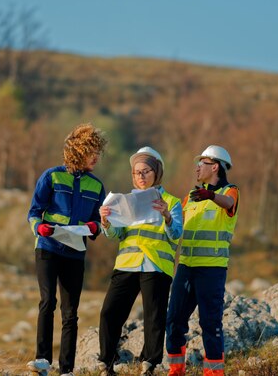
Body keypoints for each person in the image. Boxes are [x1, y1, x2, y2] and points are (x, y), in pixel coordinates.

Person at [26, 123, 108, 376]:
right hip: (48, 248)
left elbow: (100, 223)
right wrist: (40, 228)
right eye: (90, 151)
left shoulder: (97, 186)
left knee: (70, 312)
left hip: (75, 252)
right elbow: (34, 212)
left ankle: (67, 369)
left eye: (98, 152)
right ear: (77, 151)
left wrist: (95, 227)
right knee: (47, 301)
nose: (96, 157)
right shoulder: (51, 176)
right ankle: (42, 360)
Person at [98, 147, 183, 376]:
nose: (141, 176)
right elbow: (118, 234)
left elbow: (176, 234)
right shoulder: (124, 201)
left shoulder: (172, 202)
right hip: (127, 263)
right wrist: (106, 223)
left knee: (153, 316)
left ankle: (150, 363)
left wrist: (166, 216)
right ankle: (106, 361)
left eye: (146, 171)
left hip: (155, 265)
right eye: (136, 173)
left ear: (156, 173)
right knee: (109, 312)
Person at [165, 145, 240, 376]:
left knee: (210, 324)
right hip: (186, 268)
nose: (197, 167)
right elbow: (177, 227)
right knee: (174, 320)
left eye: (202, 163)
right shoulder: (190, 197)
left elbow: (228, 205)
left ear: (215, 166)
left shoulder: (230, 191)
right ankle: (176, 370)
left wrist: (211, 195)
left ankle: (214, 373)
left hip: (212, 270)